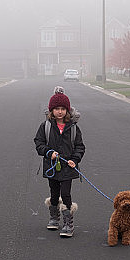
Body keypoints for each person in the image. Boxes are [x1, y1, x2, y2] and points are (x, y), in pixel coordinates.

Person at [33, 87, 85, 237]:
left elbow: (80, 146)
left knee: (66, 193)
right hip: (52, 166)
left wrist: (75, 159)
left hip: (68, 167)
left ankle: (68, 223)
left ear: (67, 111)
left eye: (63, 109)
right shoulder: (46, 126)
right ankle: (54, 217)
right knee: (54, 193)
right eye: (57, 109)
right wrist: (49, 153)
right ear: (51, 110)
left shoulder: (74, 128)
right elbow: (39, 143)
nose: (60, 112)